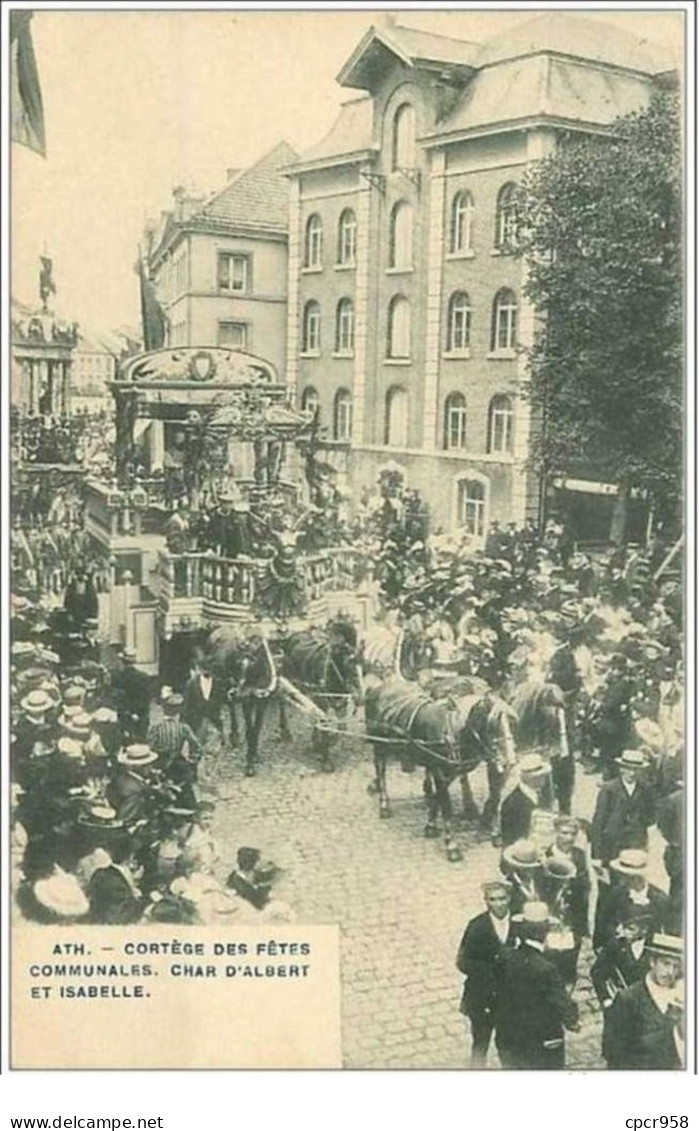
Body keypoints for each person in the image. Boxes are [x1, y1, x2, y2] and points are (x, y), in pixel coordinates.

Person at [493, 901, 579, 1070]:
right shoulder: (547, 969)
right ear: (546, 931)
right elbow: (562, 1002)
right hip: (541, 1040)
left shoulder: (505, 955)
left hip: (508, 1035)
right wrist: (572, 1020)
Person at [456, 880, 516, 1067]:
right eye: (492, 900)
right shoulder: (477, 926)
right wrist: (493, 966)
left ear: (509, 899)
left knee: (508, 1044)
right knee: (480, 1043)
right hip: (482, 996)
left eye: (502, 898)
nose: (498, 904)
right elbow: (463, 962)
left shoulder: (519, 923)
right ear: (486, 901)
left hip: (510, 996)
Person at [602, 933, 684, 1070]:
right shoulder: (628, 999)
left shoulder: (682, 995)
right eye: (666, 963)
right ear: (652, 962)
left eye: (676, 966)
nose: (670, 972)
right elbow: (612, 1052)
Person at [590, 749, 656, 867]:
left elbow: (650, 815)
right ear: (621, 769)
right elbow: (598, 822)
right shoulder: (608, 789)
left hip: (635, 843)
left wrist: (639, 827)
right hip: (612, 843)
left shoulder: (646, 789)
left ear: (641, 771)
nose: (632, 773)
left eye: (636, 769)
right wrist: (597, 854)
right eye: (628, 768)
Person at [591, 905, 653, 1010]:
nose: (624, 932)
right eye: (624, 928)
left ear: (644, 930)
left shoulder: (653, 948)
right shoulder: (615, 946)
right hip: (620, 1003)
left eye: (631, 929)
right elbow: (597, 972)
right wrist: (606, 999)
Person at [500, 754, 550, 847]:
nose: (544, 778)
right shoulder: (513, 803)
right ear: (531, 778)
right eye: (541, 776)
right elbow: (512, 838)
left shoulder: (537, 795)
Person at [182, 660, 227, 750]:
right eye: (204, 669)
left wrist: (221, 728)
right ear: (200, 669)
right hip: (197, 721)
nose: (207, 671)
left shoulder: (218, 683)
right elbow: (187, 705)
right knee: (196, 748)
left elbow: (221, 702)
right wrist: (185, 723)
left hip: (213, 720)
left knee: (214, 749)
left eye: (209, 669)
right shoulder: (191, 684)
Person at [110, 647, 152, 741]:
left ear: (122, 661)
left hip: (123, 715)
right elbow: (148, 698)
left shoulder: (116, 677)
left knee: (124, 741)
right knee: (140, 742)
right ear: (135, 661)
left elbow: (115, 697)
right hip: (140, 715)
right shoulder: (144, 677)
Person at [500, 839, 545, 913]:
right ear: (515, 866)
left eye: (531, 868)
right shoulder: (508, 885)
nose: (529, 870)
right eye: (524, 868)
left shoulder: (541, 879)